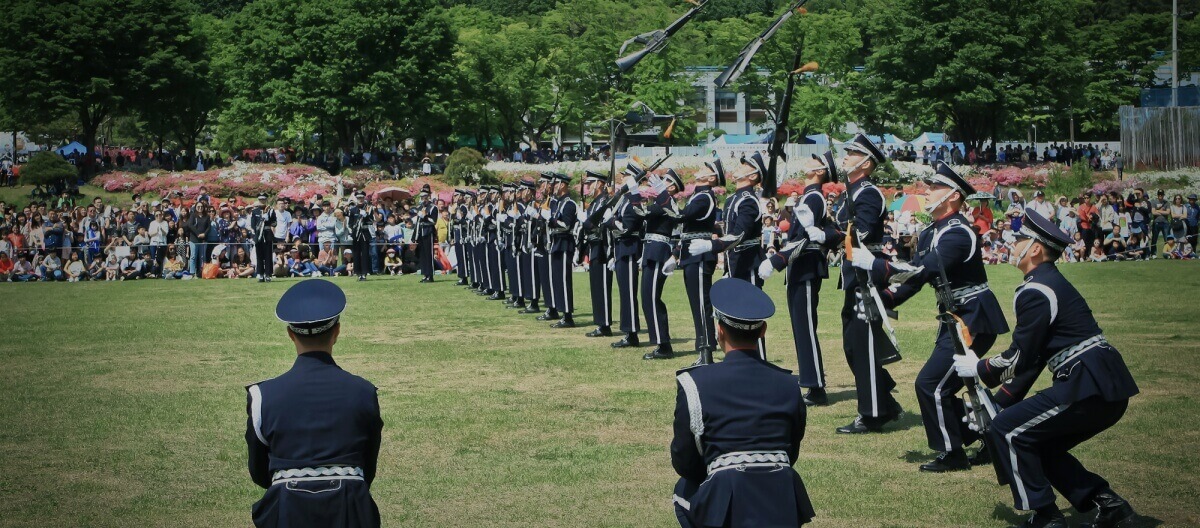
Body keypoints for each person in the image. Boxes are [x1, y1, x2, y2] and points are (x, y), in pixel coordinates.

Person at [952, 210, 1139, 528]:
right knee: (1038, 441)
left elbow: (1019, 358)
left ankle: (1045, 515)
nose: (1013, 244)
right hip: (1100, 384)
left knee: (1005, 429)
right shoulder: (1046, 282)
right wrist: (1001, 398)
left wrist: (979, 368)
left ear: (1035, 249)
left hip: (1086, 384)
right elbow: (1035, 358)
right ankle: (1110, 505)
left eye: (1020, 239)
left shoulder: (1036, 289)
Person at [849, 162, 1010, 470]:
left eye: (935, 188)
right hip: (954, 317)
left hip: (973, 318)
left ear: (952, 196)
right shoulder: (929, 233)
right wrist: (884, 298)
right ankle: (992, 437)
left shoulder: (959, 233)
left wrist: (876, 265)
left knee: (931, 384)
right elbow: (917, 281)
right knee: (954, 386)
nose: (927, 192)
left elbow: (924, 269)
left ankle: (953, 454)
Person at [670, 278, 814, 528]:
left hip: (727, 501)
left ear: (719, 330)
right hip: (779, 500)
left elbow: (685, 460)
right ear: (762, 331)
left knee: (684, 489)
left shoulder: (696, 382)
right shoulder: (789, 385)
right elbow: (790, 451)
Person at [246, 279, 383, 527]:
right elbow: (367, 468)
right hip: (351, 511)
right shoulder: (364, 392)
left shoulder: (263, 395)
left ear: (290, 334)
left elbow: (259, 471)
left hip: (287, 512)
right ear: (337, 331)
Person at [830, 133, 904, 435]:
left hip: (865, 274)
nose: (845, 157)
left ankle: (873, 414)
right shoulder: (852, 191)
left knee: (862, 345)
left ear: (866, 162)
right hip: (852, 273)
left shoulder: (868, 192)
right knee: (853, 344)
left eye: (851, 154)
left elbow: (860, 230)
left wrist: (828, 235)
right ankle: (884, 401)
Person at [758, 152, 837, 403]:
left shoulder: (814, 197)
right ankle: (811, 382)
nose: (808, 162)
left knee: (805, 328)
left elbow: (804, 238)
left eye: (814, 161)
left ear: (821, 171)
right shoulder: (809, 195)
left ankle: (816, 386)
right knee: (801, 326)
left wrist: (777, 260)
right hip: (800, 266)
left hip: (805, 265)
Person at [679, 160, 724, 365]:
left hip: (699, 254)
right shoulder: (699, 195)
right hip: (691, 253)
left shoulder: (704, 196)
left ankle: (706, 349)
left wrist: (663, 196)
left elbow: (684, 216)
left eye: (706, 169)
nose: (700, 169)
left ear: (711, 178)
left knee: (701, 303)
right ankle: (704, 347)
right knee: (696, 303)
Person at [637, 169, 684, 359]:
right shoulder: (660, 201)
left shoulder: (668, 202)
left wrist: (633, 191)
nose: (660, 182)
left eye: (664, 181)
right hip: (651, 249)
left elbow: (641, 213)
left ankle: (664, 345)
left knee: (651, 297)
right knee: (647, 297)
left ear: (672, 187)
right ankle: (660, 341)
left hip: (658, 252)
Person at [607, 163, 646, 349]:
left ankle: (631, 333)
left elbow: (628, 227)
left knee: (629, 293)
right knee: (624, 292)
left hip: (630, 248)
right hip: (621, 249)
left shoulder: (633, 200)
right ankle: (628, 331)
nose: (621, 179)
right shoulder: (624, 199)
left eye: (625, 176)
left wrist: (612, 220)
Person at [580, 171, 615, 338]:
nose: (588, 186)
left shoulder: (604, 201)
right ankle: (600, 322)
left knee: (602, 286)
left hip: (602, 247)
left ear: (600, 183)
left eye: (590, 183)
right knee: (596, 287)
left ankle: (605, 324)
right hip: (593, 246)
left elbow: (602, 225)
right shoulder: (595, 202)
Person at [546, 173, 578, 328]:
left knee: (564, 280)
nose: (553, 186)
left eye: (556, 183)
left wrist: (551, 220)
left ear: (563, 185)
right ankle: (561, 311)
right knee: (557, 279)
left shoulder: (569, 204)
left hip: (565, 243)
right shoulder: (558, 203)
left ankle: (568, 315)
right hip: (557, 242)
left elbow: (566, 225)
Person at [249, 195, 278, 282]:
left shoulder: (271, 210)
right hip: (259, 235)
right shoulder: (255, 211)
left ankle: (268, 274)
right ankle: (261, 274)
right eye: (260, 199)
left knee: (268, 255)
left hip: (267, 234)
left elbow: (274, 223)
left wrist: (267, 218)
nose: (262, 201)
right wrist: (261, 221)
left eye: (264, 199)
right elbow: (253, 225)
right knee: (259, 256)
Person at [347, 191, 373, 281]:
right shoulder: (353, 210)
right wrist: (351, 232)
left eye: (362, 198)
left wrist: (366, 216)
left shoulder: (368, 208)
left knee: (365, 254)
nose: (360, 199)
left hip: (365, 233)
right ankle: (358, 273)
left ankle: (364, 273)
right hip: (356, 234)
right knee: (356, 254)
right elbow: (350, 223)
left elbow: (371, 222)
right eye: (358, 198)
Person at [414, 185, 438, 282]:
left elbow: (433, 221)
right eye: (422, 197)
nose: (423, 199)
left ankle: (430, 275)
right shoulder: (420, 207)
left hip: (428, 232)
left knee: (428, 254)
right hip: (421, 232)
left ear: (428, 197)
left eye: (425, 197)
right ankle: (425, 274)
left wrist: (425, 216)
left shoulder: (433, 207)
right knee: (422, 254)